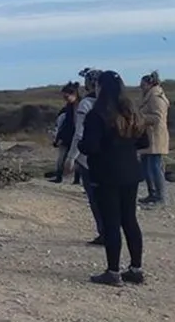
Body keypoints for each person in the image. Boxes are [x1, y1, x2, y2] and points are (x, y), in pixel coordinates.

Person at [78, 70, 148, 287]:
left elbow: (90, 146)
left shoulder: (98, 114)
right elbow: (143, 142)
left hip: (106, 173)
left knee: (111, 222)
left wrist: (82, 145)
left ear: (100, 87)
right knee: (129, 220)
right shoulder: (131, 111)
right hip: (130, 172)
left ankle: (113, 271)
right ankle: (136, 269)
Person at [65, 68, 104, 246]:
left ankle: (104, 232)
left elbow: (79, 134)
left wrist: (71, 157)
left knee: (95, 199)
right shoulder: (116, 103)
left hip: (89, 159)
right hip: (110, 156)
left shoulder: (86, 104)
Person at [137, 71, 169, 207]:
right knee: (147, 167)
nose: (141, 87)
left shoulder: (156, 97)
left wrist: (141, 118)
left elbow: (158, 118)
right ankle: (152, 194)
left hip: (155, 137)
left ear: (149, 84)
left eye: (142, 85)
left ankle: (160, 197)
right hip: (148, 137)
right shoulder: (150, 96)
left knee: (155, 167)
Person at [48, 82, 81, 184]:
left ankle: (74, 179)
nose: (65, 98)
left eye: (66, 96)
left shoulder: (79, 106)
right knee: (65, 159)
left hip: (75, 135)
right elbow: (64, 125)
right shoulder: (69, 108)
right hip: (70, 136)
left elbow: (67, 125)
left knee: (76, 159)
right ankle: (62, 177)